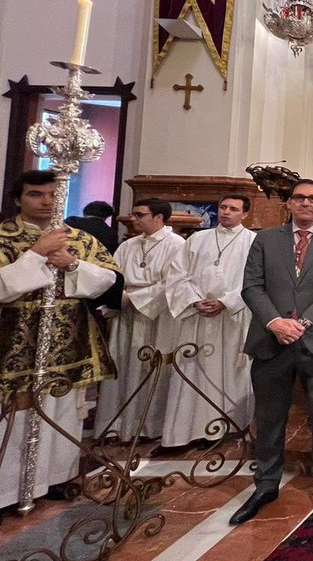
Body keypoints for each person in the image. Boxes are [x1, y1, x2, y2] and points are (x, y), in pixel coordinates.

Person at [231, 179, 313, 525]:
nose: (305, 204)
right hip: (272, 341)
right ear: (289, 204)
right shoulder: (266, 239)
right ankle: (266, 484)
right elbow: (251, 286)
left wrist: (307, 321)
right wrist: (274, 322)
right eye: (299, 198)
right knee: (269, 418)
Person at [0, 170, 120, 509]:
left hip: (69, 345)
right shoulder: (4, 237)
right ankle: (10, 491)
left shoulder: (79, 239)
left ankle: (56, 478)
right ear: (18, 199)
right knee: (15, 418)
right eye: (37, 194)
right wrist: (36, 254)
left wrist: (71, 264)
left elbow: (108, 280)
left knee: (63, 413)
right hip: (14, 347)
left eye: (53, 194)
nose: (47, 201)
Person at [161, 195, 255, 448]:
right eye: (223, 207)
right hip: (197, 317)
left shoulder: (253, 241)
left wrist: (227, 301)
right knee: (191, 372)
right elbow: (177, 274)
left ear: (245, 214)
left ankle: (227, 426)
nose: (226, 213)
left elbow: (255, 279)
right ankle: (185, 431)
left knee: (229, 371)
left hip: (232, 317)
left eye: (234, 209)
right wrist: (194, 300)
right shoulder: (197, 239)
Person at [96, 198, 185, 442]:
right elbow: (113, 275)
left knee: (151, 364)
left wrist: (136, 299)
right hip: (126, 310)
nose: (133, 219)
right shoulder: (128, 245)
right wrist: (120, 296)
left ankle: (149, 426)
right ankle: (117, 424)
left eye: (140, 215)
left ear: (159, 217)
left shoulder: (177, 245)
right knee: (122, 362)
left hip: (156, 314)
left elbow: (174, 282)